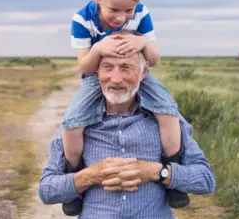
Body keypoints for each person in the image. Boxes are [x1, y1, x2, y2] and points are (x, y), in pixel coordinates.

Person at [61, 0, 187, 215]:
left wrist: (142, 43)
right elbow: (83, 66)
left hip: (139, 72)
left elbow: (154, 60)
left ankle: (173, 172)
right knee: (73, 120)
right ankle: (74, 179)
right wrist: (99, 48)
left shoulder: (142, 13)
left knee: (168, 109)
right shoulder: (82, 19)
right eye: (114, 10)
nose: (121, 17)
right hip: (96, 76)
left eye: (128, 10)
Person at [39, 49, 216, 218]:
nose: (116, 79)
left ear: (143, 71)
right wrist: (90, 176)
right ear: (96, 73)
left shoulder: (168, 119)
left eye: (126, 68)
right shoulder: (75, 123)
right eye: (107, 67)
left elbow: (206, 180)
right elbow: (47, 190)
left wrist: (157, 172)